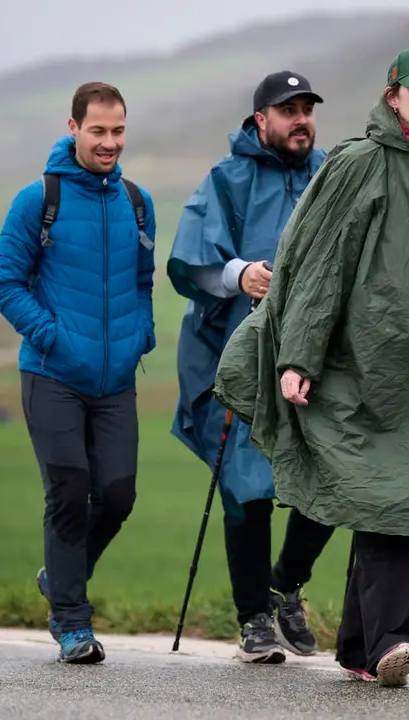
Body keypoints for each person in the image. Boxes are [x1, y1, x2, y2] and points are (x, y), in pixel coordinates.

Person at [213, 45, 409, 687]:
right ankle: (395, 639)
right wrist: (297, 355)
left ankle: (360, 647)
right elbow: (315, 266)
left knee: (379, 495)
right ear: (394, 97)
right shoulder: (356, 167)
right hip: (354, 373)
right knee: (384, 496)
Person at [167, 71, 337, 664]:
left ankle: (285, 582)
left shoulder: (329, 175)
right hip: (236, 356)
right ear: (260, 120)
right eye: (286, 110)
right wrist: (238, 273)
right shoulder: (227, 177)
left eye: (306, 108)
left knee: (334, 475)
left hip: (318, 358)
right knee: (246, 486)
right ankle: (254, 621)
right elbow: (191, 260)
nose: (300, 119)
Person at [0, 81, 157, 665]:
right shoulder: (38, 199)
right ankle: (71, 623)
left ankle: (59, 577)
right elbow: (4, 285)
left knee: (116, 495)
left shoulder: (138, 202)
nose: (109, 142)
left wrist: (144, 334)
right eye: (98, 131)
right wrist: (53, 337)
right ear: (73, 128)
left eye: (118, 131)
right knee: (67, 492)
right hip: (52, 374)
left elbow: (142, 280)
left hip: (116, 380)